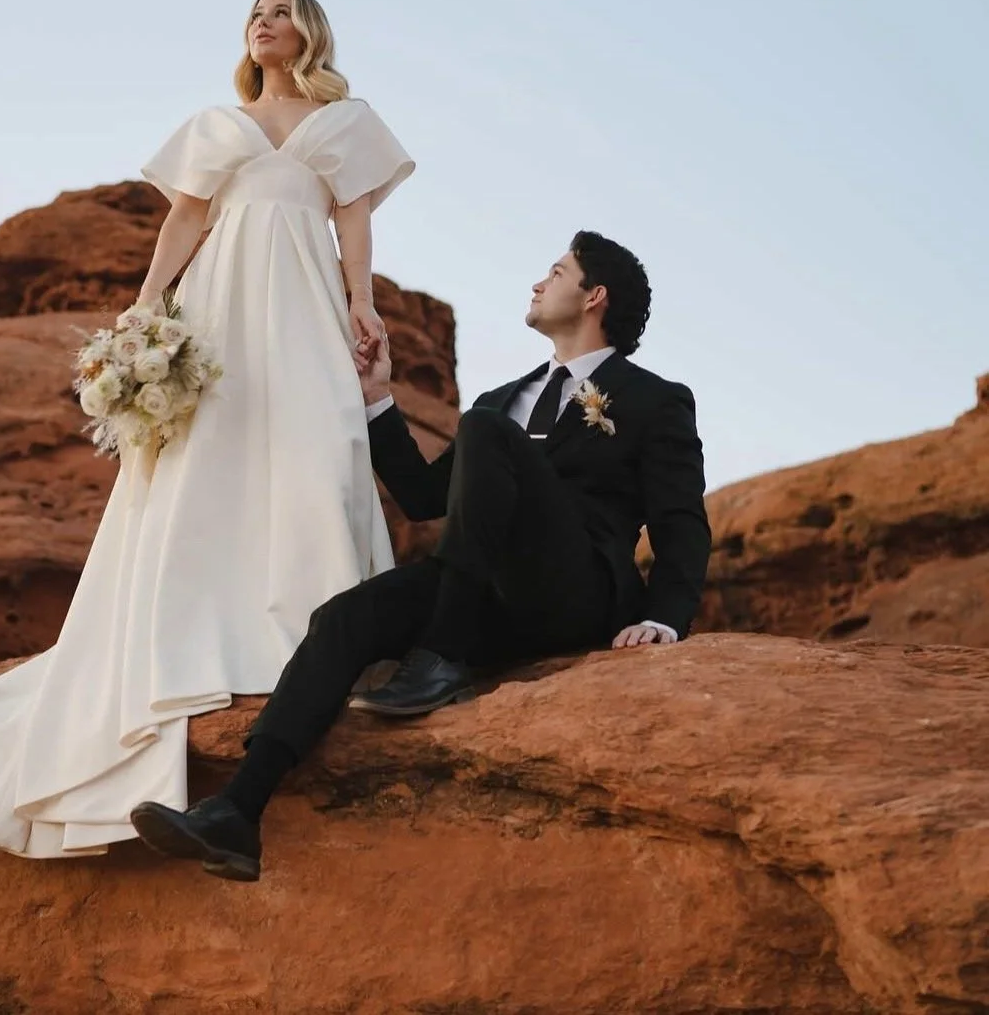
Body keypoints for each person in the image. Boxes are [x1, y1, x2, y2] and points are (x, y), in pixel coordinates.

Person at [0, 0, 414, 857]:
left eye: (282, 10)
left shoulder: (346, 119)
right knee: (212, 452)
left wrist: (361, 302)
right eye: (256, 11)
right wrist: (145, 305)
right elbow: (188, 215)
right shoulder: (221, 120)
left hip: (306, 304)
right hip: (222, 304)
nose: (265, 21)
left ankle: (314, 627)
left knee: (320, 448)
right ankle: (200, 625)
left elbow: (351, 221)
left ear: (309, 31)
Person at [130, 230, 712, 880]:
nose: (538, 283)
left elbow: (680, 520)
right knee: (343, 619)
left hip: (574, 591)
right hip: (486, 592)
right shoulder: (502, 401)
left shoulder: (657, 400)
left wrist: (667, 618)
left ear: (595, 296)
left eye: (556, 271)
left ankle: (442, 655)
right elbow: (426, 497)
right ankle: (237, 812)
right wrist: (378, 395)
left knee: (485, 432)